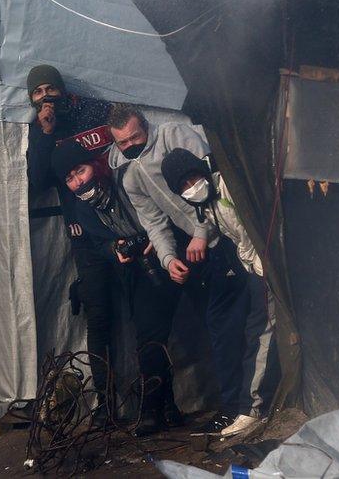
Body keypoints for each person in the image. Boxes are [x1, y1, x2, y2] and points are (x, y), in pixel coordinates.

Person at [106, 104, 258, 437]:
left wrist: (201, 232)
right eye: (123, 143)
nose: (131, 145)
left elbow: (213, 181)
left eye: (136, 137)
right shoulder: (129, 174)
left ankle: (246, 405)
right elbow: (155, 223)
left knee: (241, 319)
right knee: (222, 324)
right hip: (205, 248)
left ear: (146, 127)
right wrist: (167, 259)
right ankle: (238, 405)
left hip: (229, 232)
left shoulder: (174, 134)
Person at [50, 139, 183, 436]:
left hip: (170, 249)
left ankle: (161, 406)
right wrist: (115, 248)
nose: (78, 181)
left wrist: (154, 236)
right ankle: (154, 407)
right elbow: (98, 244)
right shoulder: (82, 210)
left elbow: (165, 209)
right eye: (69, 178)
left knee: (166, 329)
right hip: (137, 268)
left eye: (80, 171)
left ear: (94, 164)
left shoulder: (126, 179)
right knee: (147, 334)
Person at [24, 65, 121, 422]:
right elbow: (39, 181)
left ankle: (153, 401)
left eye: (51, 89)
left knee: (142, 313)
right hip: (84, 237)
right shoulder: (41, 130)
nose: (46, 96)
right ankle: (106, 407)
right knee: (98, 319)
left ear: (63, 90)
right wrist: (46, 132)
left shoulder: (92, 111)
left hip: (122, 226)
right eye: (37, 92)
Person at [161, 148, 275, 437]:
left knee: (258, 332)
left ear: (203, 171)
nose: (191, 187)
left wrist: (262, 271)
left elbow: (255, 227)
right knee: (248, 331)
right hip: (253, 268)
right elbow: (229, 235)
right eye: (183, 186)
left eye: (194, 178)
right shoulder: (206, 206)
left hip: (267, 267)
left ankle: (253, 410)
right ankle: (244, 407)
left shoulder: (227, 185)